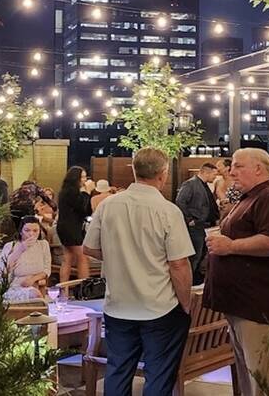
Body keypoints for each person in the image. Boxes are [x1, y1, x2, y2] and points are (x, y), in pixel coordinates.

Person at [83, 147, 194, 396]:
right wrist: (185, 304)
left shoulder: (107, 205)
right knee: (158, 374)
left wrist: (118, 255)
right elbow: (178, 264)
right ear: (163, 174)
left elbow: (89, 248)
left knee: (118, 370)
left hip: (118, 305)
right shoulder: (168, 211)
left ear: (134, 170)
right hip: (159, 307)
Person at [204, 148, 269, 395]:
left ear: (258, 168)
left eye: (238, 166)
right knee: (249, 376)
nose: (231, 171)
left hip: (259, 306)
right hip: (242, 304)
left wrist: (231, 246)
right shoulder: (249, 197)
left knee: (264, 380)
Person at [175, 162, 219, 285]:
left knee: (201, 254)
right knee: (195, 254)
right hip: (196, 226)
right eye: (214, 174)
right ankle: (188, 281)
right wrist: (189, 220)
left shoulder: (204, 185)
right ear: (206, 172)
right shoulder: (190, 184)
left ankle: (195, 277)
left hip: (205, 225)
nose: (215, 177)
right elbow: (180, 201)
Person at [0, 216, 51, 301]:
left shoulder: (43, 245)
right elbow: (4, 270)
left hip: (34, 283)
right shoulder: (10, 246)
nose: (31, 234)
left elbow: (47, 269)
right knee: (35, 294)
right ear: (21, 232)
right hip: (14, 286)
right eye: (27, 230)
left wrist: (33, 279)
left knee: (36, 294)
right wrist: (20, 249)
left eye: (35, 231)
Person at [57, 166, 94, 282]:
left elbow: (87, 211)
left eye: (85, 177)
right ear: (75, 178)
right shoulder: (70, 192)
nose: (84, 180)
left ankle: (65, 291)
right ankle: (85, 288)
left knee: (67, 258)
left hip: (69, 227)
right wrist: (87, 192)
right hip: (70, 228)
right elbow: (80, 208)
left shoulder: (69, 192)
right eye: (82, 177)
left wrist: (86, 195)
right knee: (83, 257)